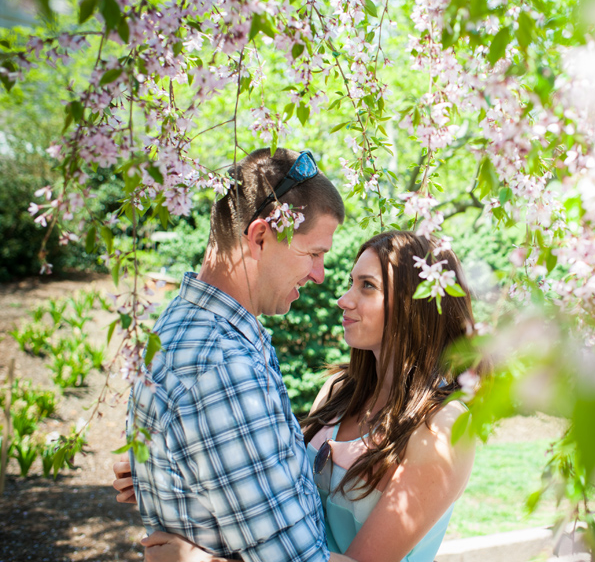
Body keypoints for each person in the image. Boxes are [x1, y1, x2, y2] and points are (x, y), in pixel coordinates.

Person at [117, 230, 480, 562]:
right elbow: (274, 491)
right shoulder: (338, 393)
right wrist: (176, 470)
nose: (343, 300)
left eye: (367, 286)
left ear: (413, 303)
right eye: (350, 284)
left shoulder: (443, 429)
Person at [122, 147, 354, 562]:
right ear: (260, 236)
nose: (320, 276)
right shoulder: (222, 368)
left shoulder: (186, 325)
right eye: (314, 253)